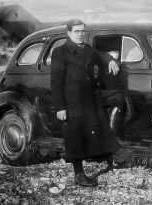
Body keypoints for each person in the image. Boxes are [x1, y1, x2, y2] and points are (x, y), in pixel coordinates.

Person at [50, 19, 121, 187]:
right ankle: (79, 174)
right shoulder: (60, 52)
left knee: (118, 98)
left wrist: (110, 59)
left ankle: (102, 154)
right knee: (74, 137)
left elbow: (100, 55)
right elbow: (55, 81)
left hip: (89, 98)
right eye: (77, 31)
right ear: (68, 33)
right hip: (71, 101)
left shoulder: (87, 49)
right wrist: (60, 107)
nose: (81, 34)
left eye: (82, 31)